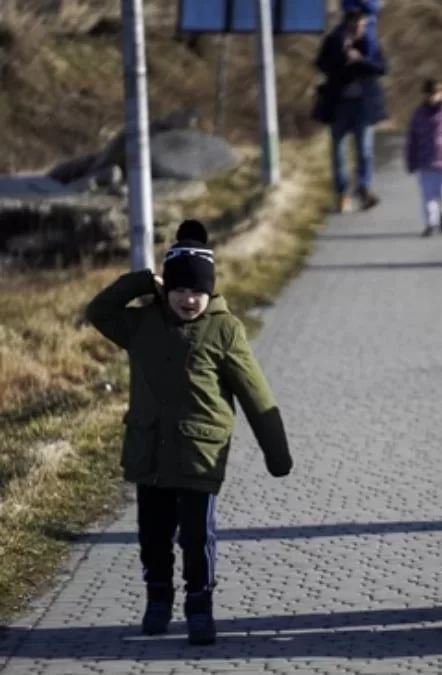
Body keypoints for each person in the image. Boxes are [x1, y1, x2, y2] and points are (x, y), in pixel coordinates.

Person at [84, 220, 293, 646]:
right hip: (150, 452)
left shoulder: (224, 329)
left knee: (197, 537)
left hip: (200, 452)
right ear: (166, 290)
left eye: (197, 291)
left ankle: (200, 606)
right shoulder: (140, 324)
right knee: (153, 535)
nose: (189, 298)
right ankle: (158, 600)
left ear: (210, 291)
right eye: (180, 289)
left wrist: (277, 453)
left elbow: (255, 391)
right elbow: (98, 312)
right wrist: (142, 280)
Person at [314, 7, 389, 214]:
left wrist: (360, 60)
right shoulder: (333, 42)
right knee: (338, 152)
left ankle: (364, 190)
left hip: (363, 106)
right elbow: (321, 64)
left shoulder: (371, 44)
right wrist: (341, 58)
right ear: (347, 24)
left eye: (363, 25)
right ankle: (342, 193)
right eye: (356, 25)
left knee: (364, 150)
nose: (359, 29)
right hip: (339, 105)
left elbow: (381, 68)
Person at [405, 78, 442, 237]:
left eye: (436, 94)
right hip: (425, 162)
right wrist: (411, 161)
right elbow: (412, 139)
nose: (432, 97)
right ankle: (431, 223)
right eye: (429, 94)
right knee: (428, 196)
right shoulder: (418, 115)